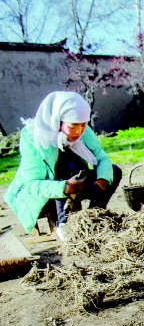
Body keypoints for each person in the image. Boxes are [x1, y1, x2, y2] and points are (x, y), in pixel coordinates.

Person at [4, 91, 122, 238]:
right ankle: (65, 225)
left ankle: (93, 216)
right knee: (65, 170)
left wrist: (102, 179)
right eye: (73, 126)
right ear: (57, 120)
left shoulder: (82, 130)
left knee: (114, 171)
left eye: (83, 125)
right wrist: (63, 187)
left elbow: (101, 157)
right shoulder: (34, 137)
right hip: (42, 196)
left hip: (76, 183)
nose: (78, 131)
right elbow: (32, 185)